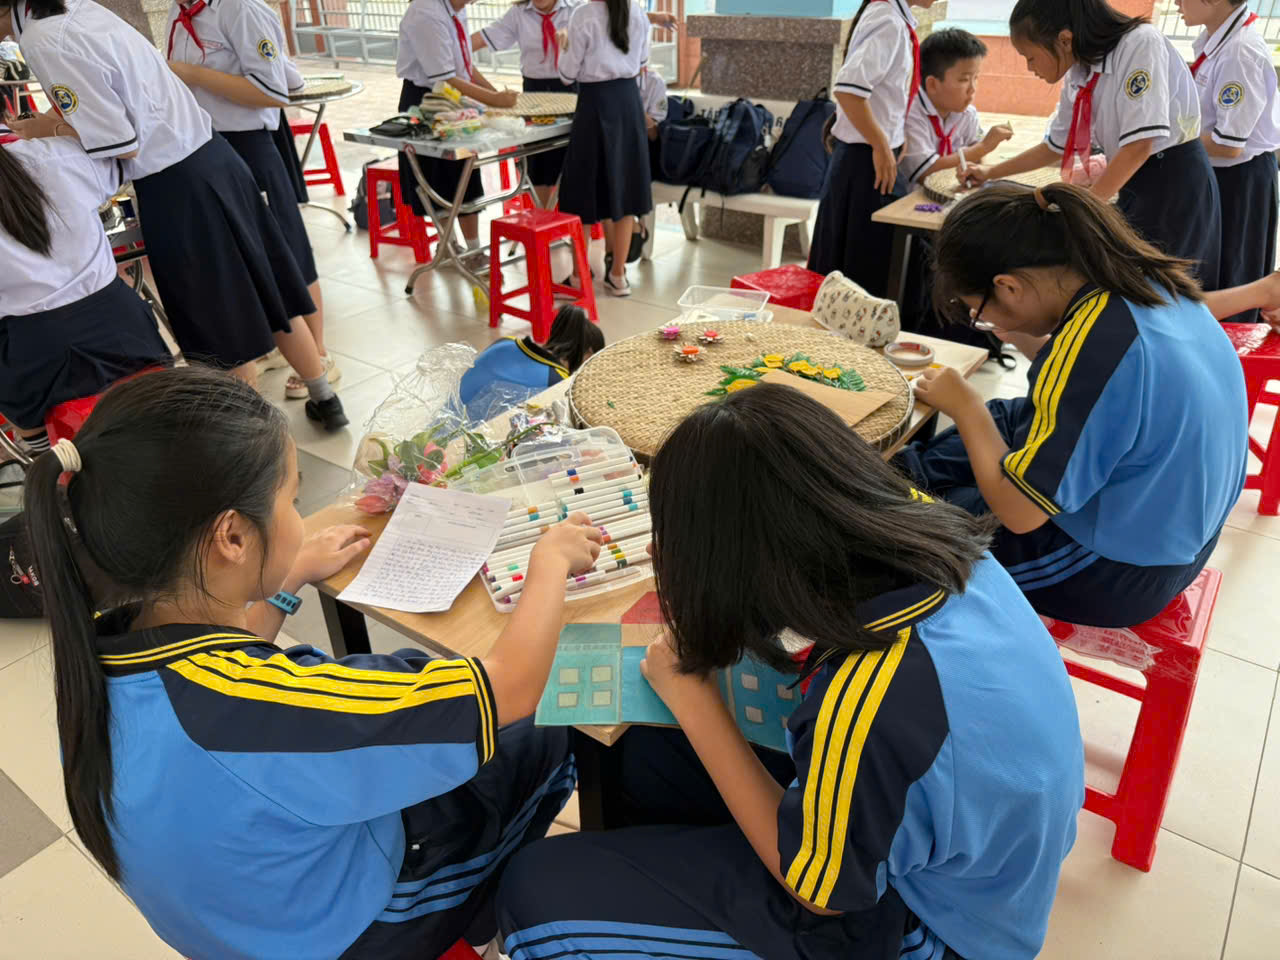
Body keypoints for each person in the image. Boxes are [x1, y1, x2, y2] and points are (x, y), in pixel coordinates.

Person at [23, 365, 603, 959]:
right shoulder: (260, 709)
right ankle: (489, 910)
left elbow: (220, 691)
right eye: (291, 500)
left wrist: (289, 577)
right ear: (232, 538)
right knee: (551, 728)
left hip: (242, 922)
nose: (299, 520)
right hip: (350, 931)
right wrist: (549, 562)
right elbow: (512, 688)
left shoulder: (105, 651)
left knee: (414, 689)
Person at [495, 382, 1085, 960]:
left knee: (535, 891)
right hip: (966, 861)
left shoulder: (876, 701)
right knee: (645, 756)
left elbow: (820, 894)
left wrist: (693, 696)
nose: (663, 555)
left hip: (928, 924)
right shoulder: (916, 526)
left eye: (678, 545)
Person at [898, 182, 1247, 627]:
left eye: (980, 312)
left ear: (1008, 286)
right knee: (1005, 417)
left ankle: (888, 498)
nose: (985, 322)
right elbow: (1098, 390)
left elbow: (1019, 514)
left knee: (918, 525)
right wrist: (1013, 341)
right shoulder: (1142, 283)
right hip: (1175, 525)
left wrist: (965, 406)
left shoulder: (1096, 345)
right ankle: (896, 477)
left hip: (1116, 570)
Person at [5, 0, 348, 430]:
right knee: (267, 288)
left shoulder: (43, 37)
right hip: (215, 157)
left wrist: (47, 129)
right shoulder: (79, 11)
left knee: (218, 324)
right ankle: (325, 397)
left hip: (177, 186)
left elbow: (119, 142)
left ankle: (249, 438)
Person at [964, 0, 1221, 287]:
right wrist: (990, 172)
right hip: (1135, 179)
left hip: (1175, 185)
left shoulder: (1139, 44)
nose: (1029, 67)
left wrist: (1084, 213)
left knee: (1164, 290)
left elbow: (1139, 146)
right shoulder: (1079, 71)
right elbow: (1054, 146)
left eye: (1031, 57)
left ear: (1064, 40)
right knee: (1130, 284)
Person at [165, 0, 344, 402]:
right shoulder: (180, 14)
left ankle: (319, 353)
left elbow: (272, 90)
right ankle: (276, 344)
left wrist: (192, 74)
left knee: (286, 250)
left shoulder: (239, 8)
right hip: (203, 147)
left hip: (249, 143)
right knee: (242, 258)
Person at [808, 0, 936, 297]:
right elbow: (848, 91)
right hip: (865, 163)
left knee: (870, 266)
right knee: (862, 274)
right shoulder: (888, 20)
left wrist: (895, 135)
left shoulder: (894, 18)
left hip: (869, 158)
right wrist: (881, 144)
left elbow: (882, 96)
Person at [1179, 0, 1280, 322]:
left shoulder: (1240, 52)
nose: (1176, 2)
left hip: (1239, 182)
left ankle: (1230, 348)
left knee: (1232, 277)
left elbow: (1228, 145)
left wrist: (1166, 141)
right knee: (1210, 273)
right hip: (1217, 173)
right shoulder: (1216, 41)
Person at [397, 0, 519, 255]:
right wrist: (494, 99)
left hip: (453, 98)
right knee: (438, 178)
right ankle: (450, 247)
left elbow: (464, 66)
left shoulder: (455, 9)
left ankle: (473, 249)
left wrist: (497, 95)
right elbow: (445, 76)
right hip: (427, 101)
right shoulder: (425, 12)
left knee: (464, 173)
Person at [557, 0, 653, 297]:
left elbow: (567, 74)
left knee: (582, 190)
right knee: (625, 189)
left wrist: (563, 44)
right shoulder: (637, 12)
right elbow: (642, 61)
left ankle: (578, 277)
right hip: (628, 104)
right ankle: (618, 276)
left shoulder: (583, 15)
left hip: (594, 105)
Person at [471, 0, 577, 211]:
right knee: (538, 164)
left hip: (571, 93)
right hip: (533, 97)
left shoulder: (577, 9)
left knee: (573, 165)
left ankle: (573, 221)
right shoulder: (518, 13)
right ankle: (544, 217)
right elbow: (471, 44)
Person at [900, 28, 1013, 186]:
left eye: (976, 78)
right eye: (964, 80)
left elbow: (976, 158)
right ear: (932, 85)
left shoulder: (967, 114)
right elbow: (924, 172)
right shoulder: (909, 113)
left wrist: (975, 169)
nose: (972, 88)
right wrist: (984, 146)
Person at [459, 305, 604, 419]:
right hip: (464, 440)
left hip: (448, 416)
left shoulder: (505, 342)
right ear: (588, 354)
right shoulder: (557, 381)